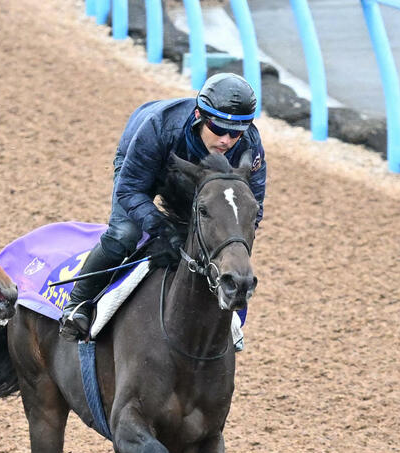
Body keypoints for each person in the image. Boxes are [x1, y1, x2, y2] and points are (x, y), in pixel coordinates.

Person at [59, 72, 267, 343]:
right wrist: (161, 229)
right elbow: (129, 190)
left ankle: (229, 324)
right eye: (218, 129)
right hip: (149, 165)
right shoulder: (159, 127)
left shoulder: (250, 145)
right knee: (126, 233)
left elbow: (253, 207)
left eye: (236, 133)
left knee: (219, 246)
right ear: (199, 117)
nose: (226, 140)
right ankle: (78, 303)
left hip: (206, 179)